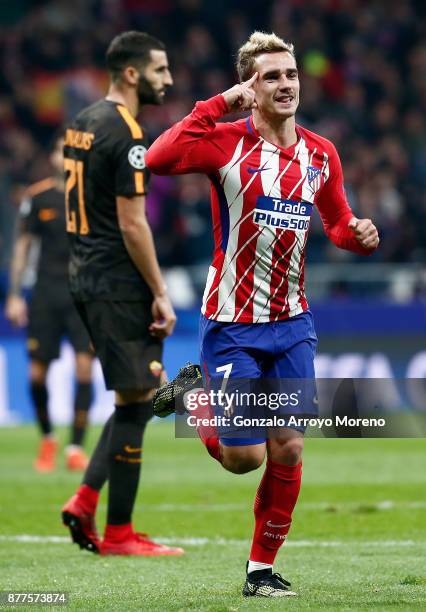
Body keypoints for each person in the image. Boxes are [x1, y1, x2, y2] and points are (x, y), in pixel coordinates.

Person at [146, 31, 379, 596]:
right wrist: (220, 103)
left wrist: (357, 233)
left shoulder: (321, 153)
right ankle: (194, 394)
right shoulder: (224, 142)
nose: (285, 85)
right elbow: (156, 159)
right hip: (233, 324)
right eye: (270, 76)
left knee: (291, 445)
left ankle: (260, 572)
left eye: (291, 74)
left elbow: (336, 222)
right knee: (242, 457)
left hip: (294, 322)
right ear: (251, 85)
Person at [60, 31, 182, 557]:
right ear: (131, 74)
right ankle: (118, 533)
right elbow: (134, 224)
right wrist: (160, 291)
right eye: (160, 70)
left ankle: (86, 501)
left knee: (136, 399)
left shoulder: (83, 121)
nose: (168, 80)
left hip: (85, 275)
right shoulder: (128, 133)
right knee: (145, 401)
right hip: (118, 282)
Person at [5, 135, 94, 473]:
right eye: (62, 150)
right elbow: (22, 248)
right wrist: (14, 295)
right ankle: (47, 437)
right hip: (44, 293)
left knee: (84, 367)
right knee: (36, 374)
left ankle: (75, 446)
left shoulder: (92, 196)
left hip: (83, 294)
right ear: (54, 156)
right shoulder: (37, 196)